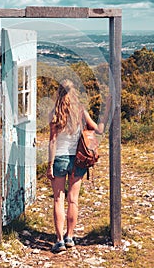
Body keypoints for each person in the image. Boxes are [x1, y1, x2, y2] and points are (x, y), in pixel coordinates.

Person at [46, 79, 111, 253]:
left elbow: (52, 142)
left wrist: (50, 165)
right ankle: (70, 237)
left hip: (59, 159)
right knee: (73, 200)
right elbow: (98, 129)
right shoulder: (80, 111)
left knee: (58, 199)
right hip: (78, 160)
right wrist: (105, 113)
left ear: (58, 93)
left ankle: (59, 241)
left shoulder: (54, 113)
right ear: (73, 92)